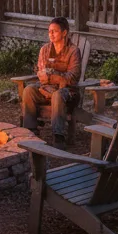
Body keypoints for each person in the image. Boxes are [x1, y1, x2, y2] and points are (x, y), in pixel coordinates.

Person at [20, 17, 82, 145]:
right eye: (49, 31)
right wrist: (44, 76)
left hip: (68, 93)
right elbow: (41, 72)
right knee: (28, 90)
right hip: (46, 89)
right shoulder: (45, 50)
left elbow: (73, 77)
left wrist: (53, 77)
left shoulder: (73, 51)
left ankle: (58, 136)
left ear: (64, 33)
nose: (51, 34)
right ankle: (31, 131)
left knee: (57, 95)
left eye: (54, 31)